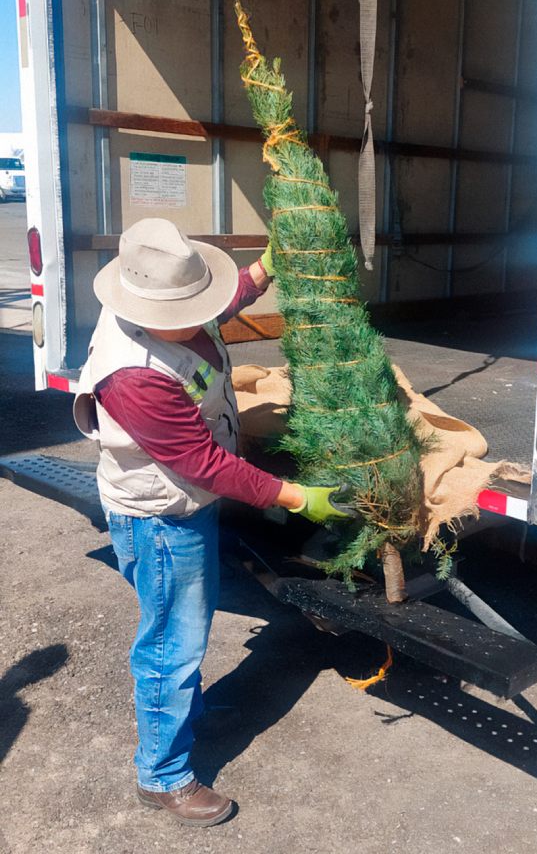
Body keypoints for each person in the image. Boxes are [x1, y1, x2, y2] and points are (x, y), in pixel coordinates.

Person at [73, 217, 352, 828]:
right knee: (171, 643)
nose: (207, 313)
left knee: (181, 629)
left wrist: (261, 272)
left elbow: (215, 304)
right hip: (161, 519)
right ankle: (163, 775)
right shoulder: (136, 374)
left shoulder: (159, 310)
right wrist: (296, 497)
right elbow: (201, 464)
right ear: (146, 308)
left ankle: (185, 719)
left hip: (182, 507)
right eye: (192, 307)